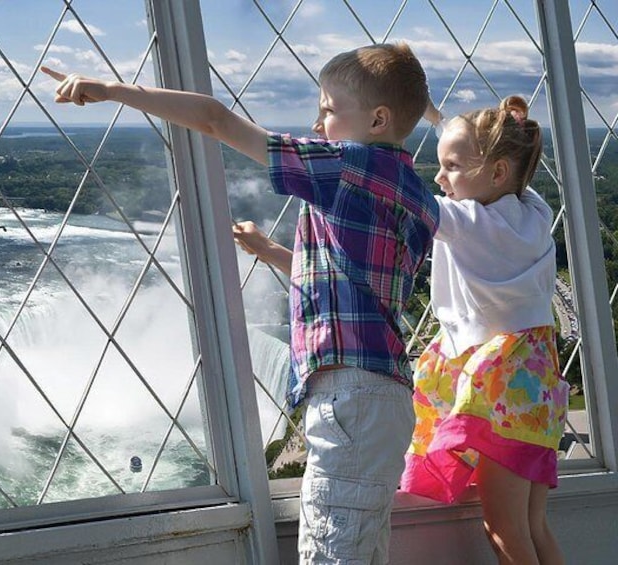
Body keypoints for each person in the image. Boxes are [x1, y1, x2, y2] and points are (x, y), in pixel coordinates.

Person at [41, 41, 439, 564]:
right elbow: (355, 280)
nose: (317, 123)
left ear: (377, 119)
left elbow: (213, 119)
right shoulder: (420, 197)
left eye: (328, 110)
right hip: (385, 396)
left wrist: (111, 90)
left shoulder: (348, 166)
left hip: (349, 399)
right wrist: (271, 250)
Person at [399, 96, 568, 565]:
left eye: (451, 167)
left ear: (495, 173)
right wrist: (438, 119)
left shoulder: (468, 222)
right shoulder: (530, 210)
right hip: (535, 382)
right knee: (532, 526)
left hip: (502, 386)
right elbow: (500, 161)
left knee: (505, 531)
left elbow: (401, 196)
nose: (438, 177)